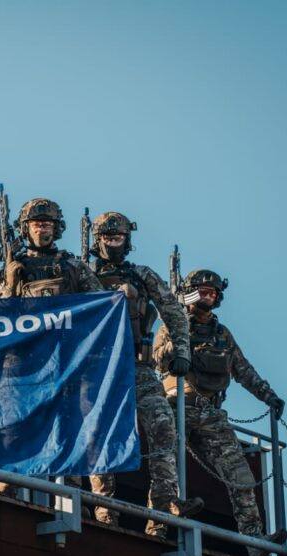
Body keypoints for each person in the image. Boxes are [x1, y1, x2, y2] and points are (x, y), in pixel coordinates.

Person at [154, 269, 287, 556]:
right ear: (189, 293)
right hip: (177, 406)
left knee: (240, 475)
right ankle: (156, 529)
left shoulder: (221, 335)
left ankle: (255, 542)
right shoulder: (172, 324)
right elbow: (158, 360)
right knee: (164, 467)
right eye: (201, 291)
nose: (207, 296)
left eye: (212, 293)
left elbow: (243, 370)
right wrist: (180, 335)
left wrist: (268, 395)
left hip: (211, 414)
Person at [85, 212, 203, 536]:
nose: (112, 243)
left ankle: (162, 512)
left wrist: (182, 351)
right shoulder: (82, 274)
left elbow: (174, 311)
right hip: (98, 371)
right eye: (107, 238)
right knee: (101, 438)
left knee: (164, 426)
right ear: (97, 240)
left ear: (127, 240)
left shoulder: (141, 275)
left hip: (138, 368)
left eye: (118, 237)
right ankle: (105, 513)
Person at [0, 199, 105, 501]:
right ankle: (7, 488)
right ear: (25, 229)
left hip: (65, 360)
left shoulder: (73, 268)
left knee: (69, 428)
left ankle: (73, 498)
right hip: (22, 361)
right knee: (14, 425)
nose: (42, 229)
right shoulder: (10, 270)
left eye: (47, 224)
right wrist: (10, 285)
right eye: (36, 224)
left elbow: (99, 308)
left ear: (57, 229)